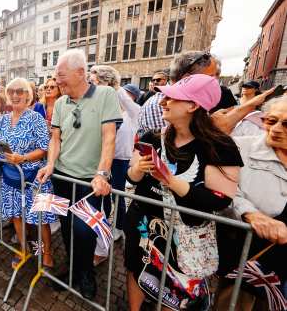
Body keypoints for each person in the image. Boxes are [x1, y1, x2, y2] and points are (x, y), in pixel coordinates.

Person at [125, 74, 243, 310]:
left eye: (171, 98)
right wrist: (138, 169)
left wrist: (169, 180)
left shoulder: (220, 147)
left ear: (193, 105)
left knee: (176, 287)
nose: (162, 102)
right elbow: (130, 177)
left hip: (184, 235)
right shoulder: (152, 137)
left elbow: (219, 201)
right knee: (136, 268)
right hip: (143, 224)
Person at [37, 49, 122, 299]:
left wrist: (102, 173)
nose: (57, 81)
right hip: (62, 177)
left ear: (80, 73)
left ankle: (86, 272)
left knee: (83, 230)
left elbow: (109, 138)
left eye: (61, 76)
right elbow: (55, 138)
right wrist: (51, 164)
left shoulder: (106, 94)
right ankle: (73, 269)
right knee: (66, 226)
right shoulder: (61, 102)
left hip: (89, 182)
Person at [0, 77, 56, 268]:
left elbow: (45, 148)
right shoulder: (1, 120)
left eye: (20, 91)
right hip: (11, 178)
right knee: (17, 216)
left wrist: (23, 158)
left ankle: (48, 253)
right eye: (12, 92)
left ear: (28, 95)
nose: (15, 95)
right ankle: (23, 249)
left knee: (41, 218)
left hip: (36, 178)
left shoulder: (36, 118)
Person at [217, 95, 287, 302]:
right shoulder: (240, 147)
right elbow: (222, 190)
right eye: (271, 120)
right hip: (246, 256)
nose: (275, 129)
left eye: (286, 124)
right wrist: (250, 214)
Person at [90, 66, 141, 267]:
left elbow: (132, 106)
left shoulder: (132, 112)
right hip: (103, 158)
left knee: (118, 194)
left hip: (120, 160)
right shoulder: (103, 107)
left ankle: (118, 227)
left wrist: (113, 87)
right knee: (103, 196)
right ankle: (105, 224)